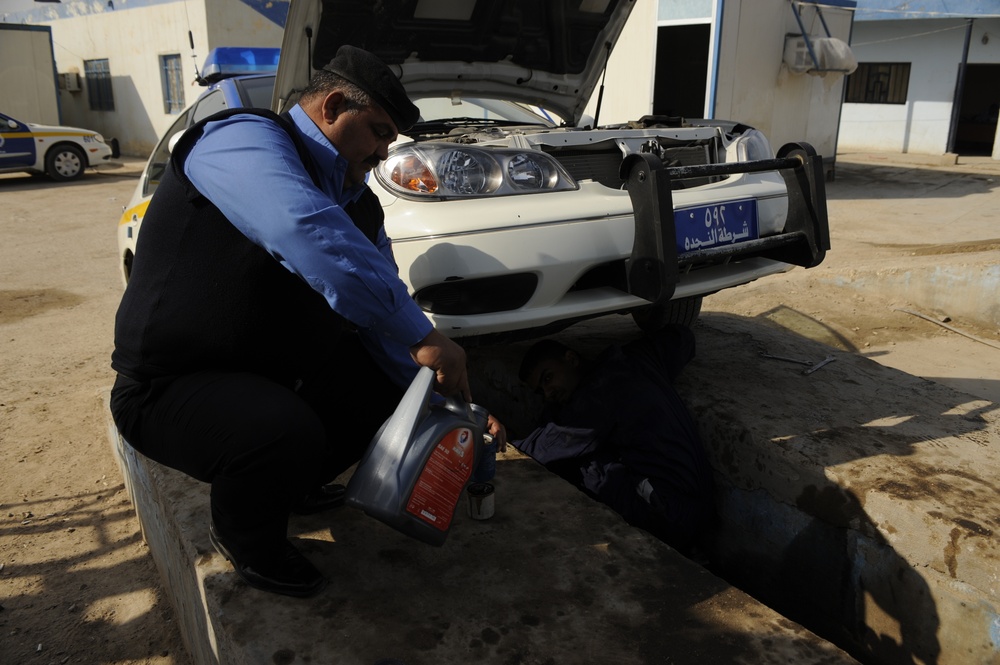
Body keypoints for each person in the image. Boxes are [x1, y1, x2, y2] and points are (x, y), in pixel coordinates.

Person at [110, 45, 502, 598]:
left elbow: (385, 328)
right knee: (278, 429)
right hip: (168, 388)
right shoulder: (241, 139)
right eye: (377, 132)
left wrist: (452, 404)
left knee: (388, 386)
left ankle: (289, 485)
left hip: (267, 381)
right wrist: (424, 335)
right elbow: (304, 229)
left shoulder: (360, 205)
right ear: (334, 105)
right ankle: (245, 536)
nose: (383, 152)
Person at [513, 324, 716, 556]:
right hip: (703, 504)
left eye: (548, 378)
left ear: (571, 358)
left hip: (668, 517)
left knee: (580, 465)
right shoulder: (637, 357)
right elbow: (682, 337)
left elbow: (532, 453)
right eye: (540, 391)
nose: (548, 393)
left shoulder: (592, 401)